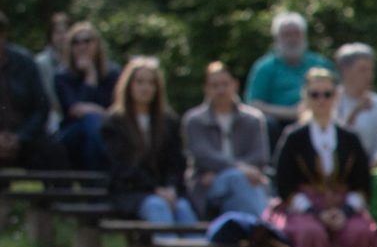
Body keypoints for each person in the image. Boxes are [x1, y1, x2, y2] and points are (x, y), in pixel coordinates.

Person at [267, 68, 377, 247]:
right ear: (306, 97)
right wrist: (315, 212)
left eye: (327, 94)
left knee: (361, 232)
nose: (321, 100)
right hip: (304, 206)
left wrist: (345, 211)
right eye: (315, 94)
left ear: (336, 96)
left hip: (344, 205)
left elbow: (362, 184)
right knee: (310, 233)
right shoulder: (294, 137)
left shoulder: (350, 138)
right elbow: (284, 184)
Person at [101, 58, 196, 229]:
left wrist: (171, 187)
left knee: (183, 208)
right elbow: (122, 167)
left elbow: (176, 162)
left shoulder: (169, 122)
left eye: (151, 83)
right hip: (131, 192)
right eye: (140, 82)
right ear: (129, 85)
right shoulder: (114, 123)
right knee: (156, 206)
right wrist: (154, 190)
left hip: (167, 192)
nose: (146, 88)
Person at [183, 62, 271, 220]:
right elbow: (203, 156)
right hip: (208, 188)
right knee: (237, 178)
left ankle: (251, 227)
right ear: (206, 89)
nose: (221, 90)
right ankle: (263, 226)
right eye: (215, 86)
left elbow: (259, 156)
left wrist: (234, 171)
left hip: (246, 184)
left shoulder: (253, 119)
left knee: (239, 193)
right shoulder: (195, 120)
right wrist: (240, 169)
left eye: (225, 84)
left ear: (235, 85)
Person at [244, 11, 331, 130]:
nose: (292, 39)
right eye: (287, 34)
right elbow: (254, 104)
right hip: (278, 126)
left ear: (304, 36)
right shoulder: (264, 68)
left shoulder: (320, 64)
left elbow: (337, 93)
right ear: (276, 39)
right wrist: (290, 112)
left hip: (318, 119)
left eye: (296, 33)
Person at [50, 21, 117, 171]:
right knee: (92, 121)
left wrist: (95, 111)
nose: (82, 46)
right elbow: (74, 110)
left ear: (97, 44)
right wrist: (89, 79)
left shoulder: (113, 73)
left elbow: (117, 110)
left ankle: (94, 178)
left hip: (107, 132)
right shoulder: (62, 76)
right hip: (71, 134)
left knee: (94, 128)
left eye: (87, 41)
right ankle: (97, 177)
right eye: (76, 42)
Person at [0, 9, 52, 170]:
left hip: (26, 138)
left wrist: (21, 137)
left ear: (4, 35)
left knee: (54, 152)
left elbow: (42, 106)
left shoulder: (25, 62)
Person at [334, 44, 377, 161]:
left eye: (371, 70)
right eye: (363, 69)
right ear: (345, 71)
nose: (369, 75)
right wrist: (355, 112)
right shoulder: (328, 100)